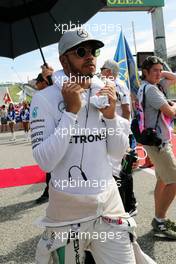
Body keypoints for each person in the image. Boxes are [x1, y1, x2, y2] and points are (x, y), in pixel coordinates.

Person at [30, 29, 156, 264]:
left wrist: (110, 117)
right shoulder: (44, 98)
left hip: (108, 205)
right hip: (67, 211)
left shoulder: (104, 93)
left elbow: (117, 153)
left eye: (93, 51)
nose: (90, 56)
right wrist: (71, 112)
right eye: (80, 51)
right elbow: (45, 162)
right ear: (63, 60)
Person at [138, 56, 176, 239]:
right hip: (158, 142)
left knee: (162, 179)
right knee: (174, 180)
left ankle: (158, 217)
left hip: (153, 140)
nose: (159, 74)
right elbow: (169, 112)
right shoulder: (152, 89)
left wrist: (159, 70)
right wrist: (173, 105)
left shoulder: (145, 86)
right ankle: (160, 222)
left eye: (161, 70)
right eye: (155, 70)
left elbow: (174, 78)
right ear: (145, 72)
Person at [100, 59, 138, 216]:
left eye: (102, 69)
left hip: (120, 132)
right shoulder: (104, 85)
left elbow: (126, 110)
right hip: (111, 132)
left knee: (124, 170)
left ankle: (130, 204)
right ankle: (121, 202)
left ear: (109, 71)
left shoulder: (119, 85)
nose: (100, 71)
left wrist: (124, 133)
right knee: (116, 170)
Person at [34, 67, 54, 204]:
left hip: (56, 135)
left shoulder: (52, 93)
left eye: (38, 82)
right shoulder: (42, 96)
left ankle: (49, 191)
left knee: (52, 164)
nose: (36, 85)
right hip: (48, 134)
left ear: (44, 82)